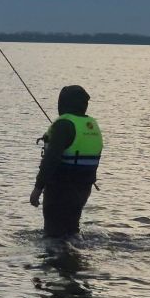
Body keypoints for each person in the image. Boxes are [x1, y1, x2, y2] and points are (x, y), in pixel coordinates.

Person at [30, 85, 103, 239]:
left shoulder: (63, 125)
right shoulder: (91, 125)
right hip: (83, 188)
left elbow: (51, 159)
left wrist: (37, 189)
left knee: (53, 235)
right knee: (71, 229)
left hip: (60, 188)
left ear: (63, 104)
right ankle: (74, 251)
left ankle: (58, 253)